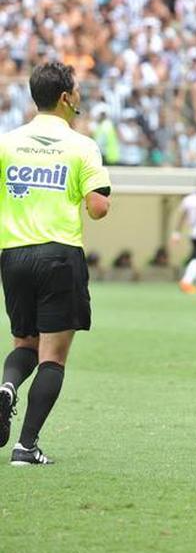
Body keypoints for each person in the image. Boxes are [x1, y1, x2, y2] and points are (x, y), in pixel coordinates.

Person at [0, 62, 111, 465]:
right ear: (66, 98)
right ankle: (26, 447)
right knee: (53, 356)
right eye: (77, 90)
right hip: (59, 253)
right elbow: (98, 208)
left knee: (24, 344)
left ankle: (7, 387)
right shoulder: (82, 146)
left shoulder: (8, 142)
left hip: (13, 254)